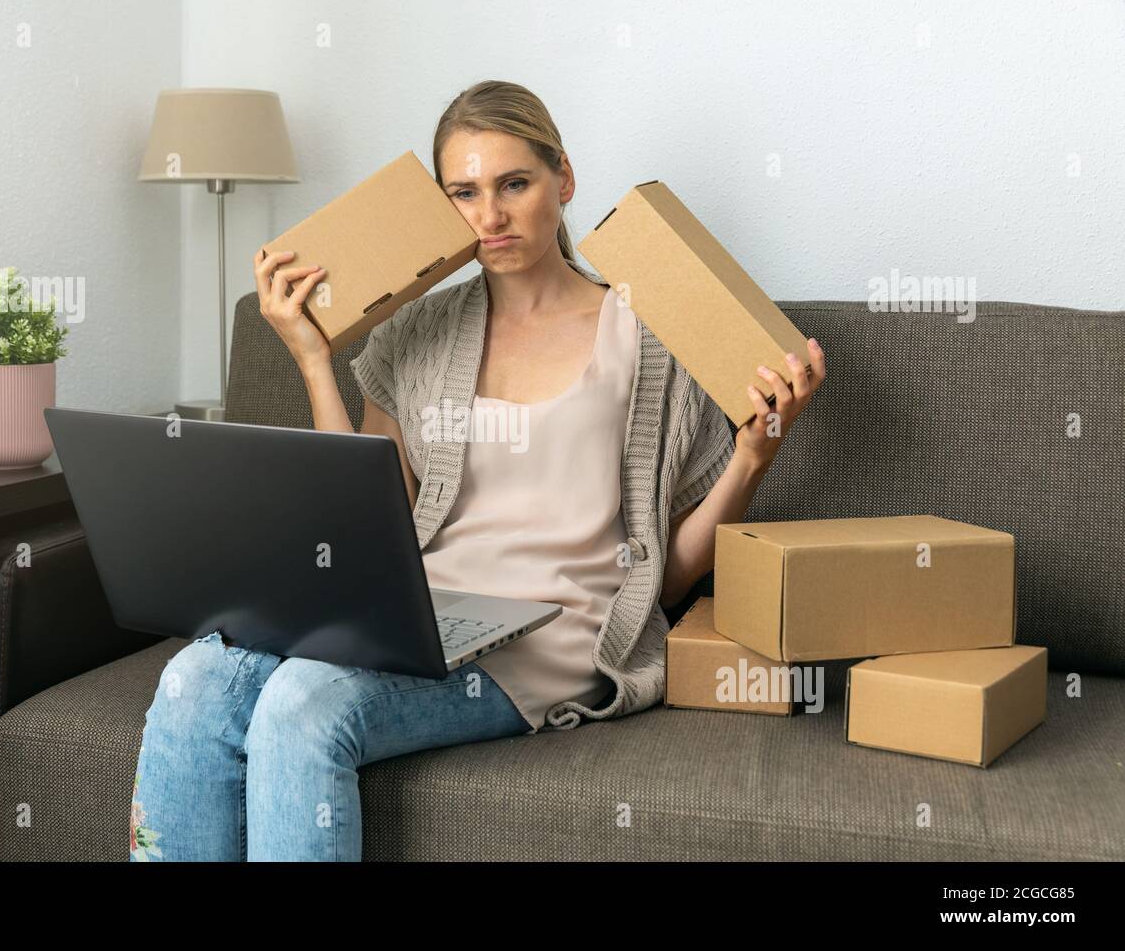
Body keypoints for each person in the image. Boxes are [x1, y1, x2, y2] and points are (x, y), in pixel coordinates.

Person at [128, 80, 827, 862]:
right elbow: (366, 527)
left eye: (514, 185)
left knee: (302, 705)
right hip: (421, 615)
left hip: (559, 635)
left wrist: (753, 458)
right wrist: (314, 362)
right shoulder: (415, 333)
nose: (490, 217)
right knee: (196, 680)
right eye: (464, 193)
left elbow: (661, 577)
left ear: (563, 179)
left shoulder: (649, 337)